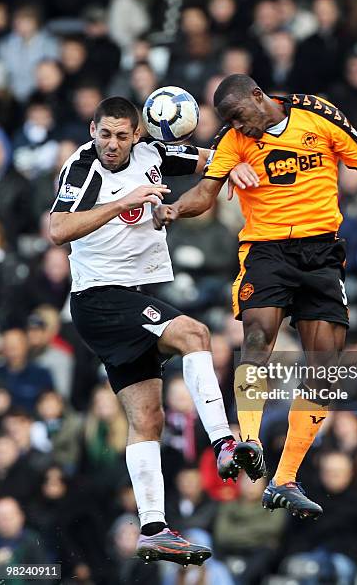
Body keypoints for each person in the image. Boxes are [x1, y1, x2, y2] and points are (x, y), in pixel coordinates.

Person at [155, 74, 357, 518]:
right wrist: (174, 209)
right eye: (228, 122)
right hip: (265, 250)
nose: (237, 126)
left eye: (239, 116)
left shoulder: (319, 115)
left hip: (322, 252)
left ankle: (284, 479)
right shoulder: (234, 141)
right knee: (257, 337)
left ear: (257, 96)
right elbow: (205, 194)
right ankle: (248, 438)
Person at [48, 96, 252, 566]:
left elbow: (209, 158)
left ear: (138, 133)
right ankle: (223, 443)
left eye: (122, 135)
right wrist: (124, 202)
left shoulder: (154, 153)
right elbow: (58, 229)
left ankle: (153, 528)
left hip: (129, 295)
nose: (112, 144)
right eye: (105, 134)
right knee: (197, 335)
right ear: (92, 128)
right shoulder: (82, 168)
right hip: (100, 298)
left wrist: (236, 166)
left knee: (148, 420)